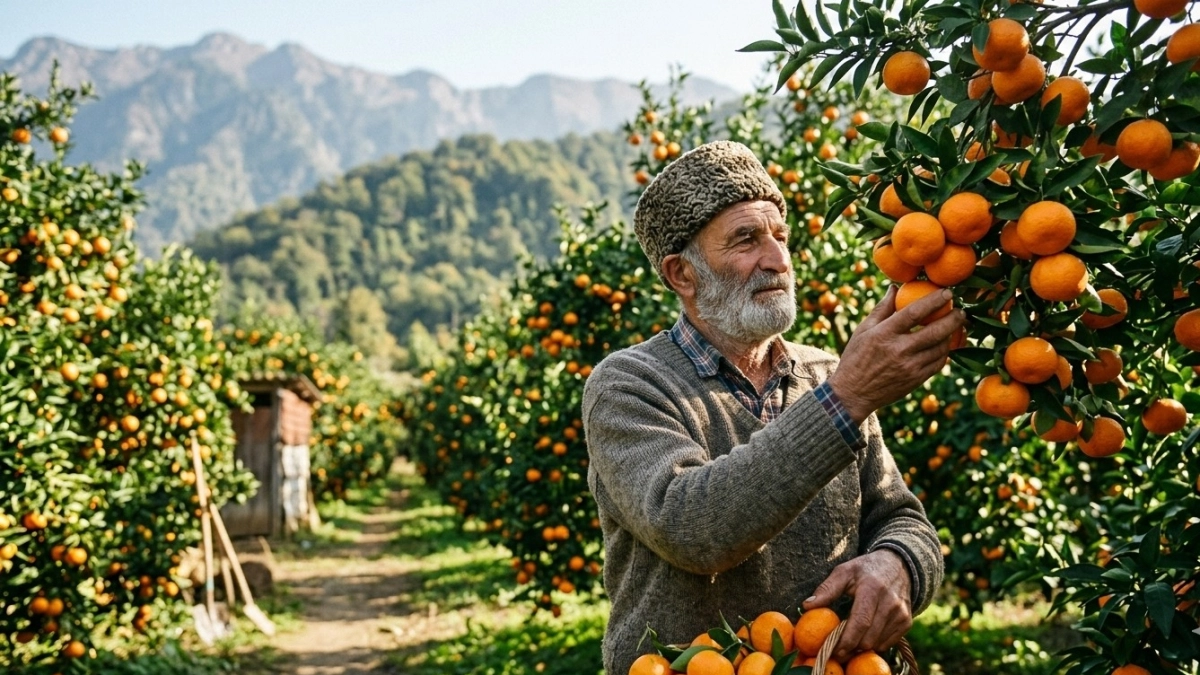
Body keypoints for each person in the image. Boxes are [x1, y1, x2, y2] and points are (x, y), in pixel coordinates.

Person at [582, 140, 965, 675]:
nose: (778, 259)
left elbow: (900, 518)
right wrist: (847, 398)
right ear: (682, 274)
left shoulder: (823, 374)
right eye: (746, 240)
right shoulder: (629, 385)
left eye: (780, 236)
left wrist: (899, 562)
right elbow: (691, 527)